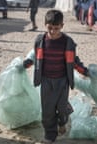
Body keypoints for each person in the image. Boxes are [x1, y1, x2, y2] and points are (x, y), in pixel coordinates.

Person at [22, 9, 89, 143]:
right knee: (47, 111)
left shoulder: (67, 42)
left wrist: (84, 71)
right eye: (50, 28)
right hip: (46, 81)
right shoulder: (40, 41)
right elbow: (35, 55)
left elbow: (73, 60)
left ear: (62, 26)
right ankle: (50, 135)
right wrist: (28, 62)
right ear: (45, 24)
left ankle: (63, 121)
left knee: (61, 108)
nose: (53, 31)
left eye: (56, 28)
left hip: (62, 81)